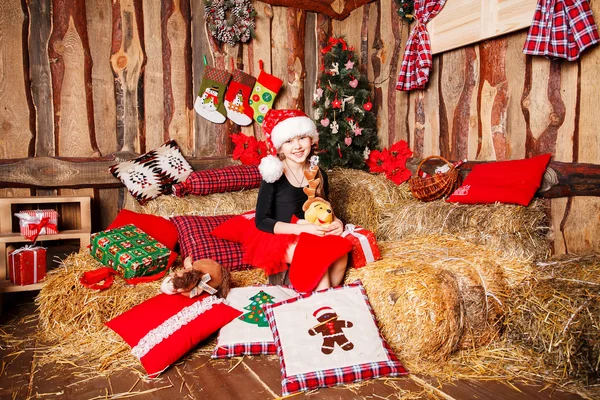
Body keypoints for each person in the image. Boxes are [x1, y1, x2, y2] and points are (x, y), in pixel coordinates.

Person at [243, 109, 350, 292]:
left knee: (341, 252)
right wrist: (302, 229)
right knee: (318, 258)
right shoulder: (274, 176)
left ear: (311, 139)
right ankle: (322, 304)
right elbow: (261, 221)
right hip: (283, 235)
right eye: (289, 141)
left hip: (312, 232)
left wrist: (337, 222)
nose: (297, 146)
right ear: (280, 147)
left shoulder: (318, 173)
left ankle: (327, 301)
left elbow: (322, 208)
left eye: (302, 138)